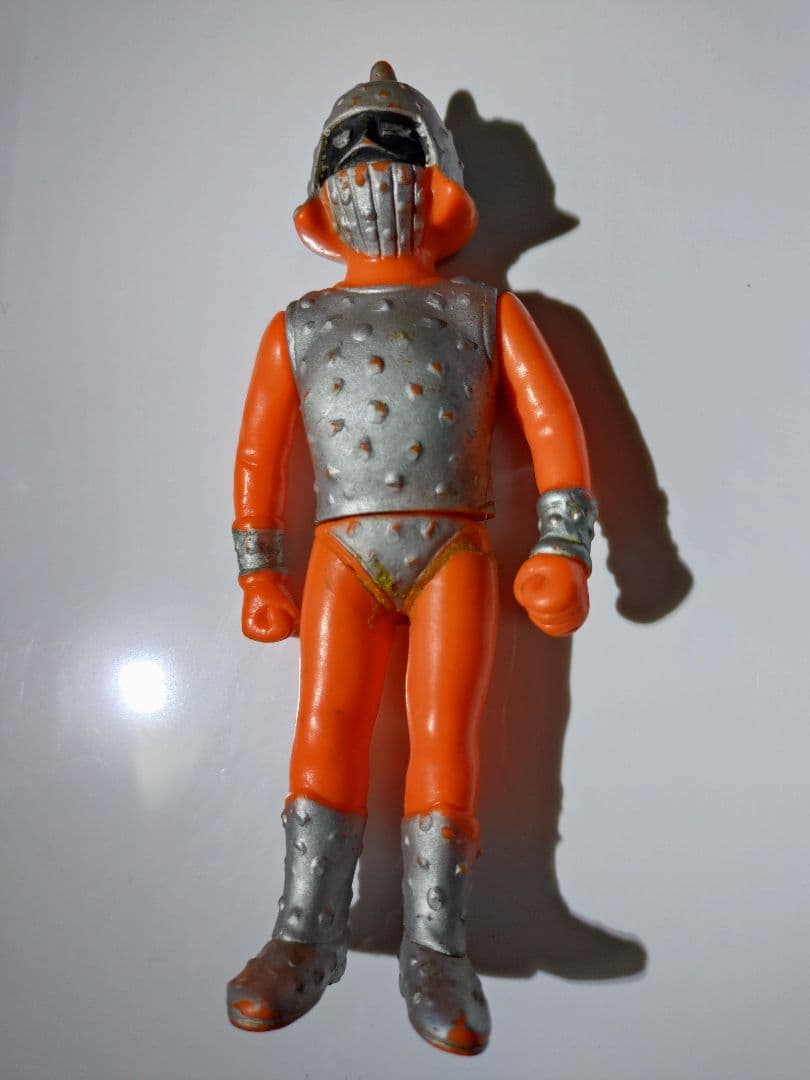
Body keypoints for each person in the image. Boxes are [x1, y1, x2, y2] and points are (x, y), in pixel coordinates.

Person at [226, 61, 596, 1056]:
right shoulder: (300, 326)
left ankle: (438, 945)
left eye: (391, 149)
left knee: (444, 735)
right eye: (348, 155)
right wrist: (259, 569)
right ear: (321, 190)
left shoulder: (484, 312)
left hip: (454, 551)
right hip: (341, 552)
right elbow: (259, 455)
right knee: (325, 722)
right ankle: (304, 932)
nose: (369, 174)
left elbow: (553, 429)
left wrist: (563, 543)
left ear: (434, 179)